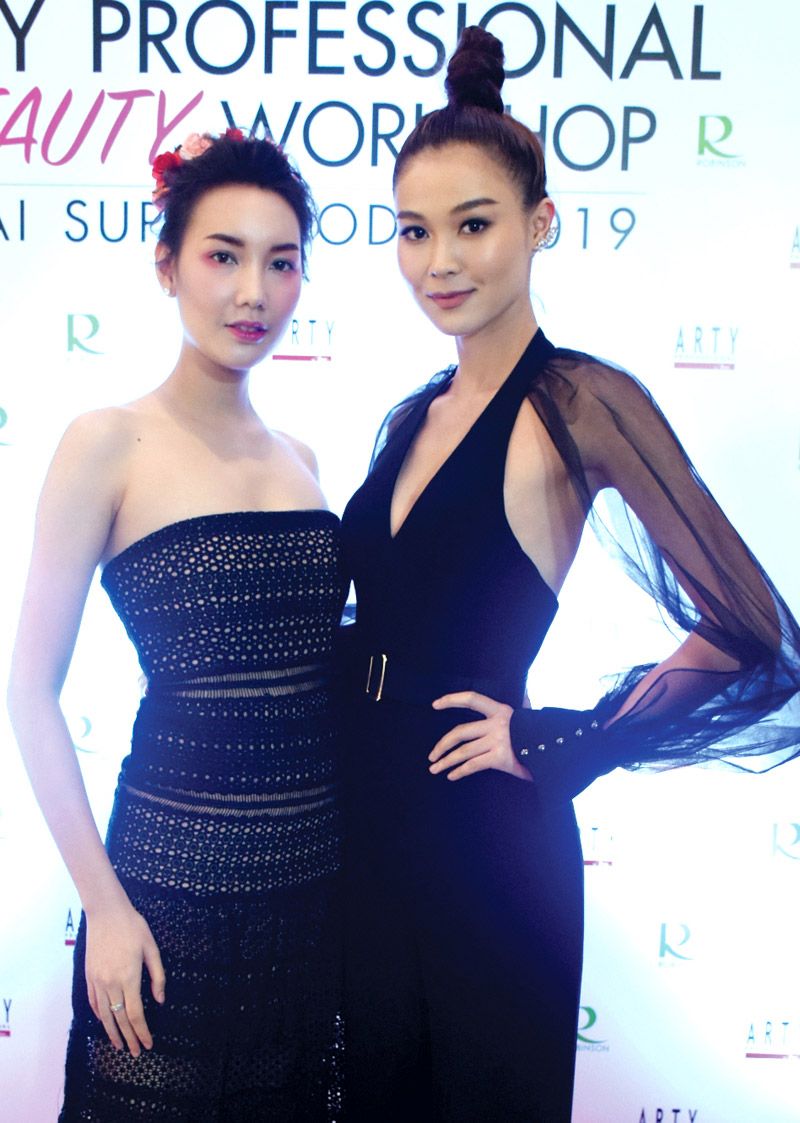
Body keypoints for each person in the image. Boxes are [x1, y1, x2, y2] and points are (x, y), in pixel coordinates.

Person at [339, 26, 800, 1122]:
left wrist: (561, 737)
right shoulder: (411, 415)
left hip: (487, 843)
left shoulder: (581, 403)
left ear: (540, 223)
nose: (439, 262)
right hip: (364, 826)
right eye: (413, 231)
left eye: (473, 225)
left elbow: (748, 625)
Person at [7, 131, 345, 1121]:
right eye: (222, 255)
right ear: (167, 266)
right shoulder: (106, 441)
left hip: (313, 897)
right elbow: (29, 691)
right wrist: (105, 905)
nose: (252, 292)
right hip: (168, 897)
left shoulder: (304, 459)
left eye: (280, 263)